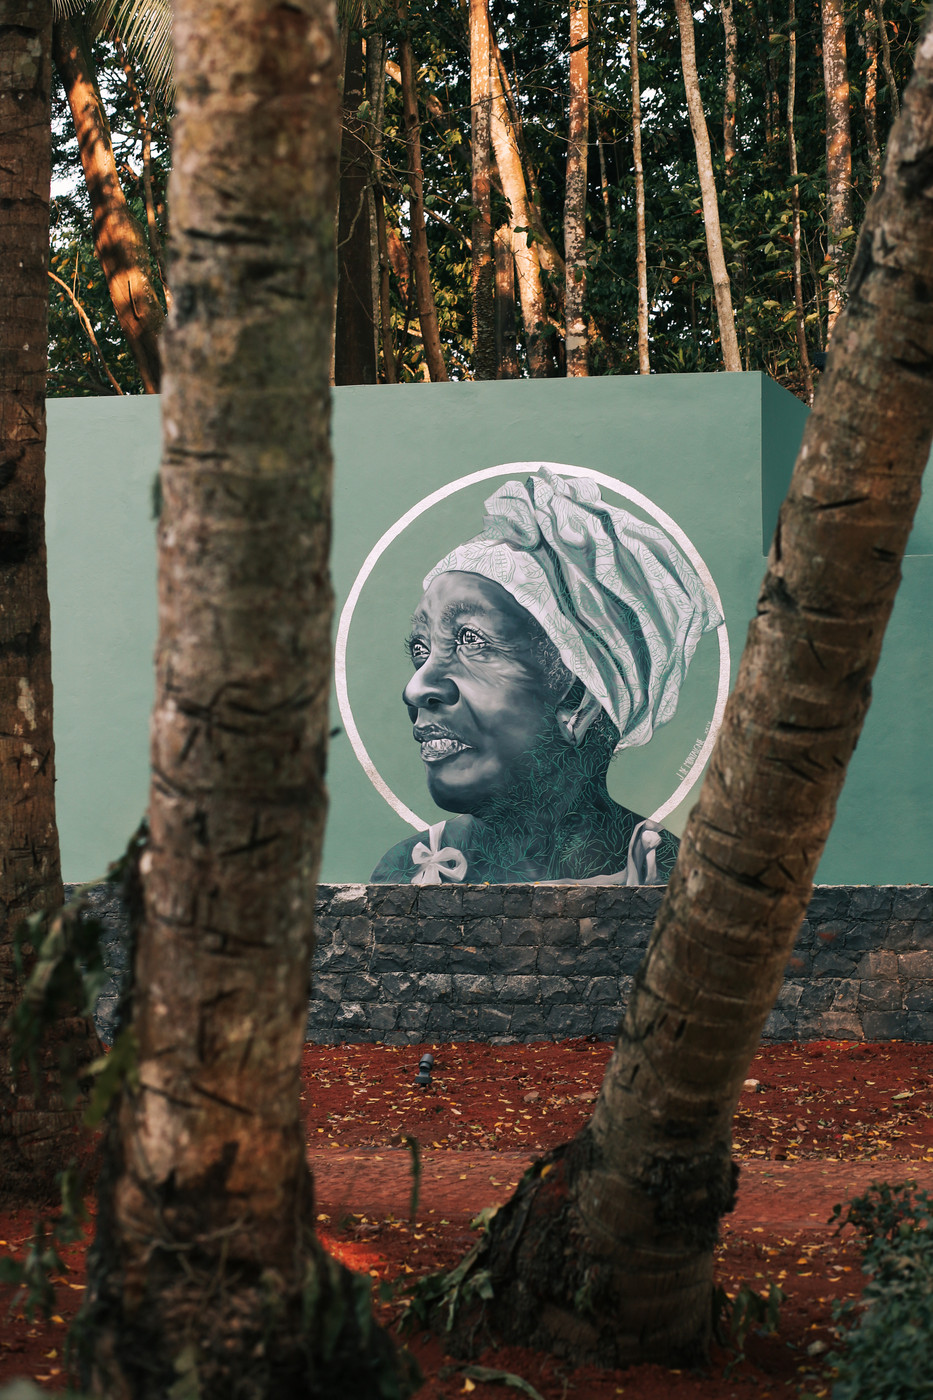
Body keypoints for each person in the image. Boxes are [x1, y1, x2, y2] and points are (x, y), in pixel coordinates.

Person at [371, 468, 721, 885]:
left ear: (579, 702)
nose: (416, 688)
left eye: (470, 640)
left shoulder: (668, 875)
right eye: (420, 650)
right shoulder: (404, 871)